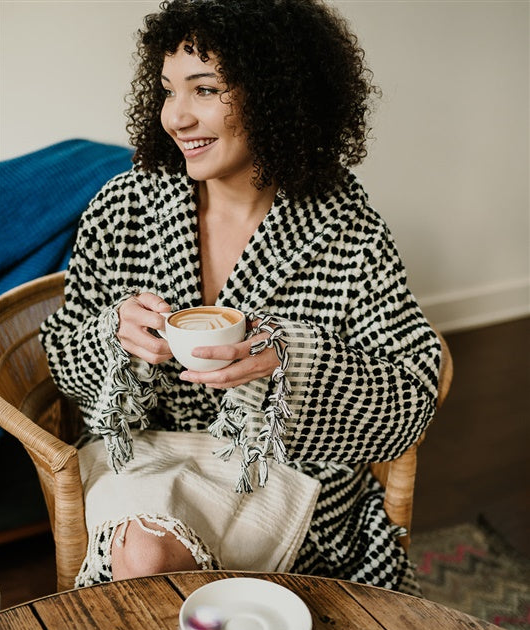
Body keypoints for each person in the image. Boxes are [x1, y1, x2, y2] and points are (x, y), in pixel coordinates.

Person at [40, 0, 441, 595]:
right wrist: (110, 334)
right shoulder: (122, 208)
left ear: (278, 94)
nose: (176, 117)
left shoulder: (348, 232)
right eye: (167, 90)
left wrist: (293, 364)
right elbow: (61, 356)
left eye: (205, 90)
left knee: (157, 574)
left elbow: (413, 396)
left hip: (282, 470)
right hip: (148, 455)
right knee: (145, 553)